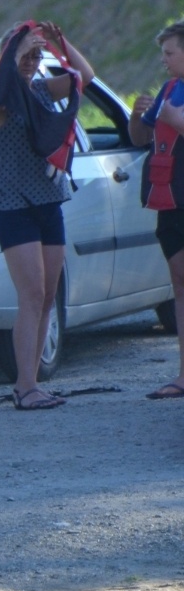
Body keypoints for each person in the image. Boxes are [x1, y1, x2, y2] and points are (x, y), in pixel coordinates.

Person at [0, 21, 95, 410]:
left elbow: (84, 77)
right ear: (7, 56)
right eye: (25, 55)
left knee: (46, 298)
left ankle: (32, 382)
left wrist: (60, 42)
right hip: (13, 207)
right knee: (31, 294)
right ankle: (25, 386)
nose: (31, 62)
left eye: (36, 56)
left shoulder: (41, 90)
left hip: (48, 203)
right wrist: (16, 47)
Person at [129, 20, 184, 399]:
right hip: (171, 202)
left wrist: (170, 116)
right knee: (179, 286)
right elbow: (139, 138)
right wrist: (137, 116)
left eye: (170, 53)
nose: (163, 60)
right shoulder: (168, 89)